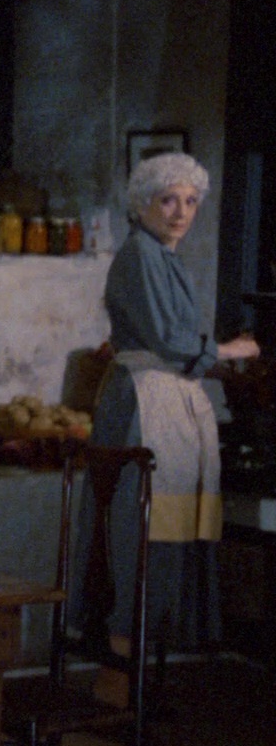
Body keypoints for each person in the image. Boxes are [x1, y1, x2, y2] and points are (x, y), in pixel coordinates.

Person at [87, 152, 257, 660]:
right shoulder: (141, 254)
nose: (181, 212)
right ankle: (121, 663)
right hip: (143, 401)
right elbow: (167, 338)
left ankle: (140, 658)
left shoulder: (163, 257)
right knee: (139, 525)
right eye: (168, 200)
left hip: (164, 397)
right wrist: (229, 350)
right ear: (143, 204)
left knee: (164, 524)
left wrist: (210, 363)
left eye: (190, 201)